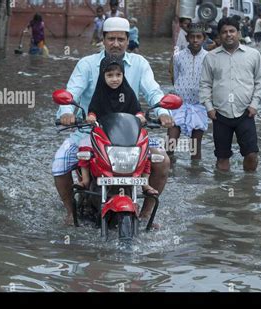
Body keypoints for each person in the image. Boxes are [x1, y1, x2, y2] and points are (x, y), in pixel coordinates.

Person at [52, 17, 174, 226]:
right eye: (111, 39)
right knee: (60, 163)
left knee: (162, 161)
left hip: (130, 135)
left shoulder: (140, 64)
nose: (115, 43)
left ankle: (146, 214)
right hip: (90, 133)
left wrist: (162, 112)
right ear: (103, 39)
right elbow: (72, 93)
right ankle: (70, 212)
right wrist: (66, 112)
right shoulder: (87, 64)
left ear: (128, 40)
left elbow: (153, 92)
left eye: (120, 39)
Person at [76, 56, 156, 195]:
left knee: (146, 153)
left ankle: (145, 183)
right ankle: (86, 180)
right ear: (103, 76)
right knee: (84, 148)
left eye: (118, 75)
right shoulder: (100, 93)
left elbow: (136, 110)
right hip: (103, 136)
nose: (115, 79)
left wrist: (140, 117)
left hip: (127, 136)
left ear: (123, 75)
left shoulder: (127, 92)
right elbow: (93, 110)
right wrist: (91, 117)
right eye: (110, 75)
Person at [199, 17, 261, 172]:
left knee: (251, 155)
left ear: (239, 33)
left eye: (232, 31)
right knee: (222, 159)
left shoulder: (253, 55)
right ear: (219, 35)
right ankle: (223, 192)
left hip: (246, 113)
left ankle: (248, 188)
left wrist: (254, 105)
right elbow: (205, 84)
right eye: (224, 32)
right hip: (220, 114)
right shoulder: (211, 57)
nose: (228, 35)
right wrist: (209, 108)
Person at [168, 23, 208, 161]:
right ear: (187, 38)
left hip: (199, 105)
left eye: (198, 37)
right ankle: (170, 172)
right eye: (192, 37)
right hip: (179, 104)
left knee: (195, 149)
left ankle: (194, 176)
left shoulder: (209, 58)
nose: (195, 40)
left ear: (204, 38)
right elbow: (175, 78)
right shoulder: (177, 57)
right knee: (170, 144)